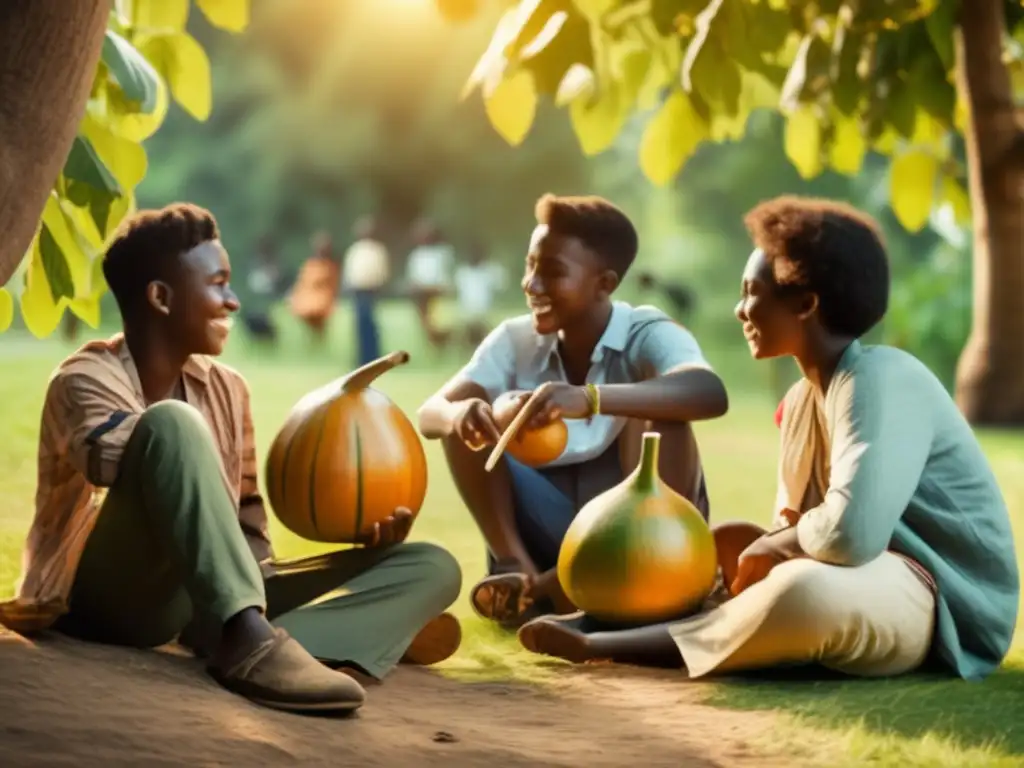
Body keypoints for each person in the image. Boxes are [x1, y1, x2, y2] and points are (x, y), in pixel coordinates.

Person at [516, 195, 1019, 683]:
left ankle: (609, 644)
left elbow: (851, 535)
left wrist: (778, 545)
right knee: (713, 549)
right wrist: (768, 542)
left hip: (942, 603)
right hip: (864, 576)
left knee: (803, 595)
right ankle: (611, 619)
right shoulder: (805, 399)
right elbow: (800, 528)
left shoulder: (881, 378)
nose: (739, 310)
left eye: (752, 292)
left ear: (806, 303)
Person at [0, 203, 463, 714]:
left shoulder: (228, 389)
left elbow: (247, 529)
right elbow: (118, 466)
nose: (235, 301)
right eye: (219, 284)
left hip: (204, 601)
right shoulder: (82, 380)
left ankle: (275, 634)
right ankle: (312, 637)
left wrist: (354, 538)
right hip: (108, 600)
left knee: (430, 567)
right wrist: (176, 437)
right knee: (172, 423)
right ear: (160, 297)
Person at [417, 193, 729, 629]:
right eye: (530, 266)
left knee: (667, 412)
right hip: (550, 530)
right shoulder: (514, 340)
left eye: (553, 272)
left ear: (605, 283)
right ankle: (518, 571)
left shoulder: (645, 331)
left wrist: (590, 398)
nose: (532, 285)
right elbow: (430, 413)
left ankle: (612, 585)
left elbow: (708, 391)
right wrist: (460, 414)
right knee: (469, 420)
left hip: (640, 539)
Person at [342, 216, 390, 366]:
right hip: (357, 290)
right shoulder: (355, 249)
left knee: (370, 322)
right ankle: (361, 357)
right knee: (359, 324)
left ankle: (373, 356)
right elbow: (349, 271)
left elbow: (382, 271)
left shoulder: (378, 249)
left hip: (371, 290)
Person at [288, 230, 339, 346]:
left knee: (318, 320)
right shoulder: (310, 264)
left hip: (322, 300)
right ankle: (312, 342)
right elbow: (302, 283)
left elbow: (331, 286)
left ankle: (318, 343)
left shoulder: (330, 266)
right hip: (307, 299)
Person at [454, 242, 507, 348]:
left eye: (477, 253)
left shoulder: (492, 270)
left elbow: (502, 290)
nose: (474, 256)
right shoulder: (462, 272)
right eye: (472, 253)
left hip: (486, 315)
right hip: (467, 315)